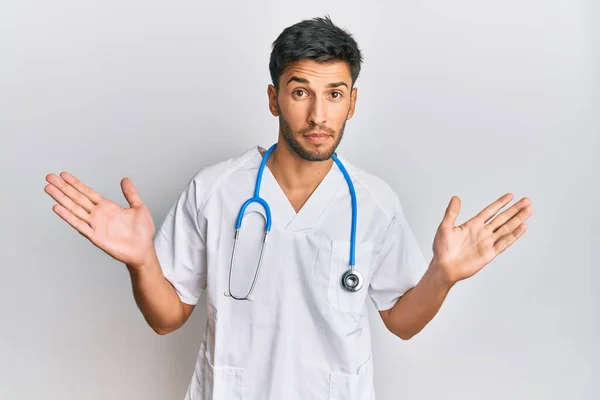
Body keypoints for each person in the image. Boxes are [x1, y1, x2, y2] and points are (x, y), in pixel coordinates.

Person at [43, 15, 533, 400]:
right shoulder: (215, 189)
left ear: (353, 103)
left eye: (334, 95)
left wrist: (442, 275)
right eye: (301, 92)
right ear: (274, 98)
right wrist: (142, 261)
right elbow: (167, 317)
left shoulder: (375, 203)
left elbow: (401, 321)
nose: (319, 115)